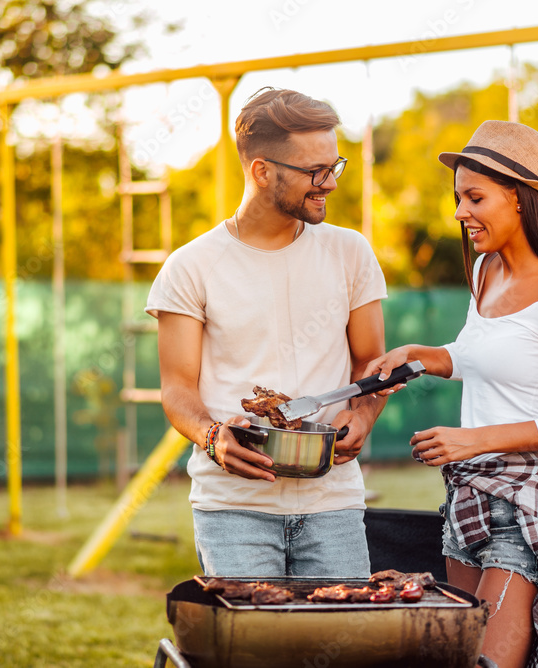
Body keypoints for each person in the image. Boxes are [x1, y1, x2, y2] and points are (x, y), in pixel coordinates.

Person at [364, 120, 538, 668]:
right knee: (460, 657)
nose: (459, 212)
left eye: (475, 197)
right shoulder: (484, 271)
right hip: (467, 499)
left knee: (490, 665)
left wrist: (473, 440)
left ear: (521, 199)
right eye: (458, 198)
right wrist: (422, 355)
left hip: (523, 506)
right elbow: (479, 354)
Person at [145, 87, 388, 578]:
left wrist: (362, 417)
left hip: (333, 503)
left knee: (343, 642)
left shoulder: (350, 252)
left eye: (334, 166)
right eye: (314, 172)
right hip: (231, 509)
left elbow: (370, 366)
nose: (330, 184)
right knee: (253, 650)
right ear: (261, 170)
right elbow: (176, 390)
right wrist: (212, 436)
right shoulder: (189, 267)